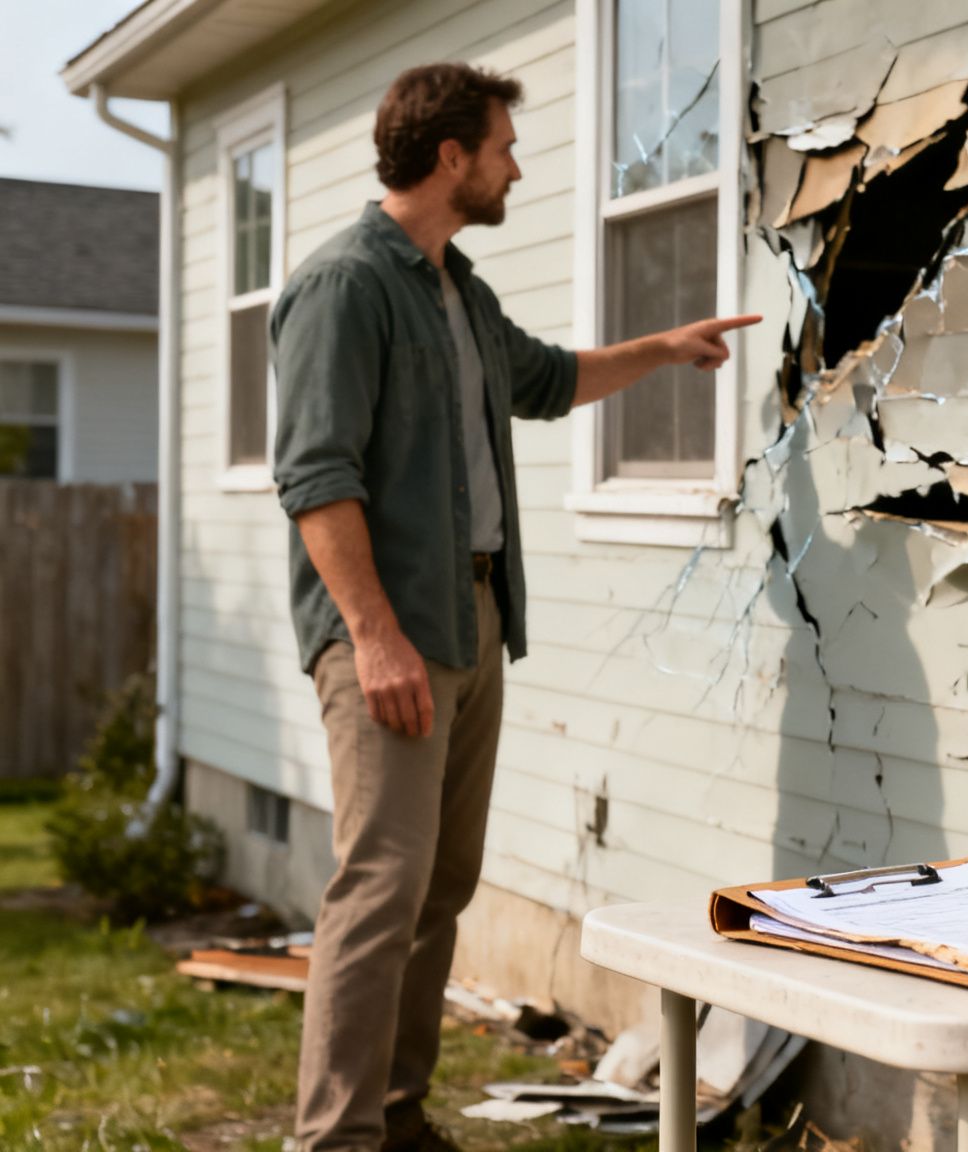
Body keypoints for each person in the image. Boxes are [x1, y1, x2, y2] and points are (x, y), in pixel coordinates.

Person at [272, 63, 759, 1152]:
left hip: (472, 619)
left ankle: (395, 1119)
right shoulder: (346, 286)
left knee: (438, 888)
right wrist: (374, 636)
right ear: (451, 157)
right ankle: (334, 1141)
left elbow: (543, 380)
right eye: (501, 147)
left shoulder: (457, 288)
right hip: (390, 640)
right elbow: (315, 478)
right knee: (377, 891)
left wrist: (663, 350)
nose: (514, 166)